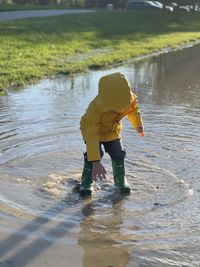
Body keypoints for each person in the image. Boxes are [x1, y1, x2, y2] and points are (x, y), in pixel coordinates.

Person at [79, 72, 144, 196]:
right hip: (92, 131)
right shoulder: (95, 108)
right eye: (117, 106)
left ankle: (120, 181)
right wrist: (96, 162)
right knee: (94, 155)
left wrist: (138, 125)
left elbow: (134, 111)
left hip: (112, 130)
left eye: (123, 104)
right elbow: (92, 135)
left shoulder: (129, 100)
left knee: (118, 153)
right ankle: (86, 182)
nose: (121, 108)